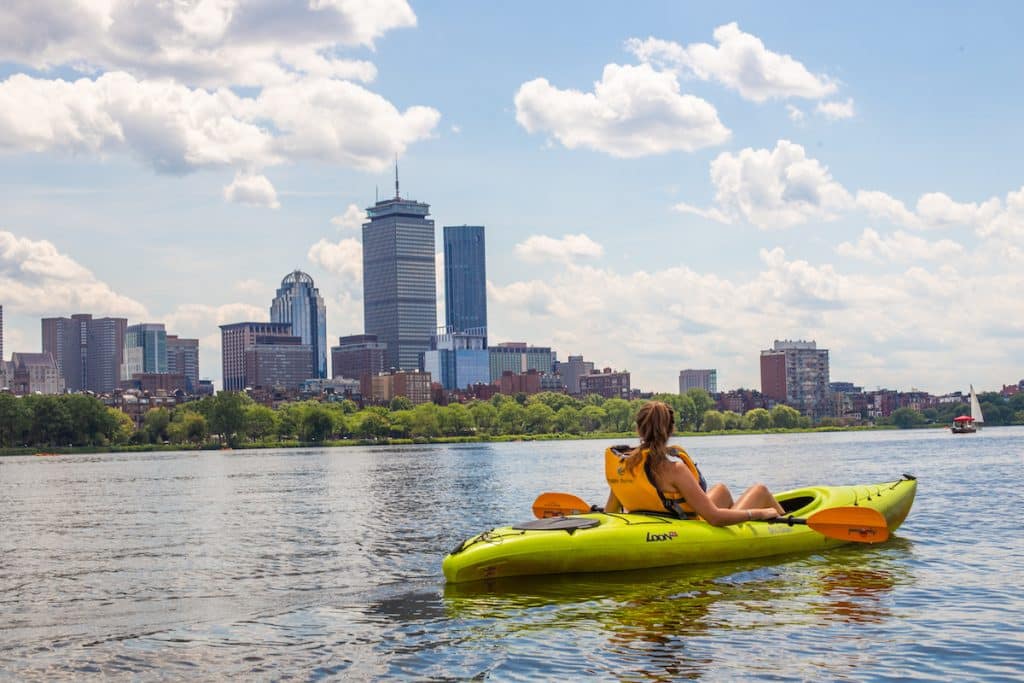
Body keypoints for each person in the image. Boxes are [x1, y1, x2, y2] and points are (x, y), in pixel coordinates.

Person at [604, 400, 784, 525]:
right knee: (760, 490)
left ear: (638, 429)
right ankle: (790, 527)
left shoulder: (625, 465)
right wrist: (759, 513)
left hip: (655, 524)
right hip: (683, 528)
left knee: (720, 489)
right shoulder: (675, 470)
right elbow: (714, 518)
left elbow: (610, 512)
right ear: (671, 429)